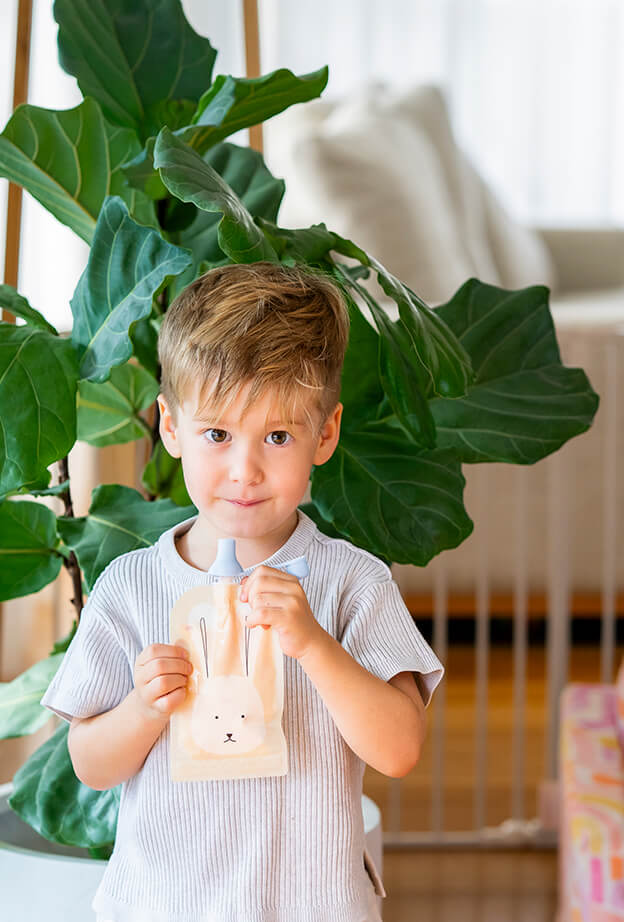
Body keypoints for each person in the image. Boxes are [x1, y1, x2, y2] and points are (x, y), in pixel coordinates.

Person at [42, 262, 443, 922]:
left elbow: (399, 750)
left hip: (311, 905)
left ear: (327, 433)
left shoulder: (352, 582)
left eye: (278, 436)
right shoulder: (132, 587)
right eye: (218, 435)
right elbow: (90, 764)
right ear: (171, 427)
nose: (244, 470)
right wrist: (143, 709)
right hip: (162, 906)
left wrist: (313, 644)